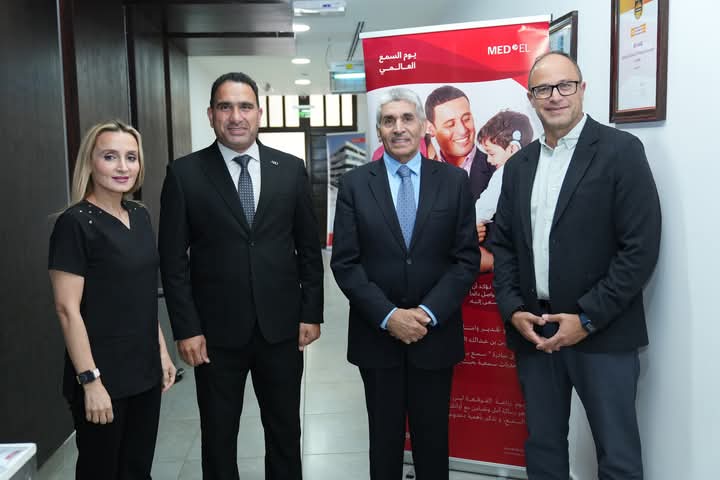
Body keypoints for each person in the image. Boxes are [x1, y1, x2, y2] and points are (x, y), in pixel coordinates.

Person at [492, 52, 661, 479]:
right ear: (531, 98)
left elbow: (639, 249)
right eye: (543, 89)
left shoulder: (621, 151)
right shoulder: (519, 166)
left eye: (565, 85)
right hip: (536, 330)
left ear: (582, 89)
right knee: (543, 449)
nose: (555, 96)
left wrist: (586, 318)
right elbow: (505, 247)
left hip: (603, 331)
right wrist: (513, 310)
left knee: (618, 457)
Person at [158, 72, 323, 480]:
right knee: (218, 437)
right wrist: (186, 328)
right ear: (211, 114)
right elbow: (173, 261)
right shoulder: (185, 174)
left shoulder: (290, 169)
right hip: (214, 335)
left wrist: (311, 312)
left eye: (245, 106)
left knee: (285, 432)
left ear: (259, 113)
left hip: (281, 329)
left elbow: (308, 247)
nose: (236, 116)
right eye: (225, 107)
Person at [331, 87, 480, 480]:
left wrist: (426, 313)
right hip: (376, 337)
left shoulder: (453, 182)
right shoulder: (354, 185)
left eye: (407, 118)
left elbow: (466, 260)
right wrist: (389, 316)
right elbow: (345, 263)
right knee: (384, 443)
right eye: (388, 120)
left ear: (423, 126)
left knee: (433, 442)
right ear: (379, 130)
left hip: (435, 336)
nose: (398, 128)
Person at [48, 120, 176, 479]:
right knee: (101, 471)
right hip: (102, 374)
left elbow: (141, 295)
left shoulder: (140, 215)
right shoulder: (74, 224)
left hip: (144, 369)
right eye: (110, 156)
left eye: (131, 157)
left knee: (137, 470)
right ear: (90, 162)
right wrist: (90, 381)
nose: (123, 166)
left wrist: (162, 352)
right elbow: (67, 310)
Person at [474, 110, 533, 272]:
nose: (488, 159)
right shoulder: (534, 167)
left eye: (491, 153)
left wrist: (468, 225)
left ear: (513, 149)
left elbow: (483, 209)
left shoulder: (504, 173)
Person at [424, 85, 495, 201]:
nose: (462, 130)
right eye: (450, 124)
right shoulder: (421, 177)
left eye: (466, 119)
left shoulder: (497, 170)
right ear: (431, 129)